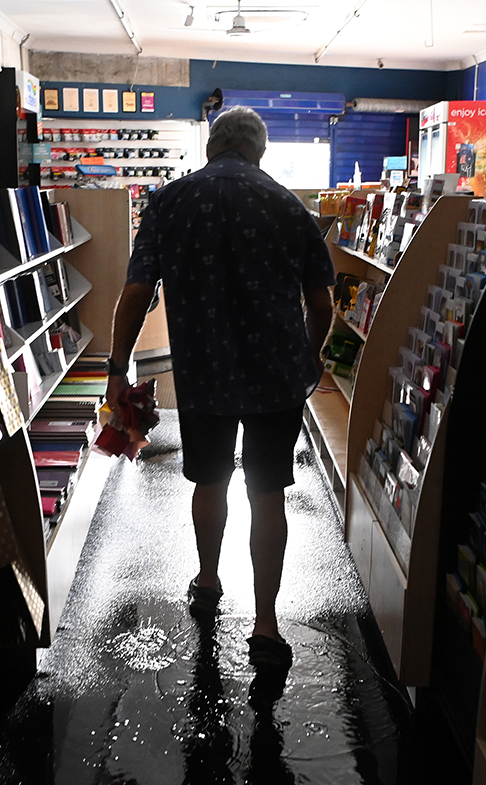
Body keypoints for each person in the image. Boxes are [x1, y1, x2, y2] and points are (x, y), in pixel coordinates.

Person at [105, 106, 334, 669]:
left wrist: (117, 366)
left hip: (203, 369)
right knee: (267, 492)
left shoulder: (170, 202)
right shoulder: (289, 205)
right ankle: (266, 622)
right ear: (260, 151)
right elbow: (322, 302)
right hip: (275, 374)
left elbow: (136, 292)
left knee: (209, 480)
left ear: (211, 146)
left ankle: (208, 578)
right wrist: (310, 353)